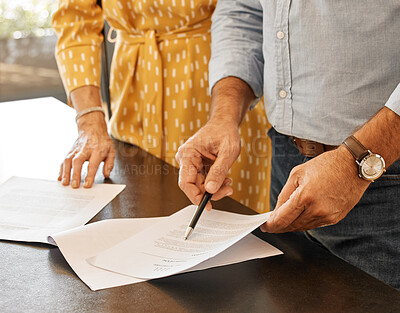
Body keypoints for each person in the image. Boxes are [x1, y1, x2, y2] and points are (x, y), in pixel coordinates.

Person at [176, 1, 400, 289]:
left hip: (382, 177)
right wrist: (223, 117)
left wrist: (355, 162)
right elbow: (243, 11)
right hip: (285, 163)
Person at [52, 0, 272, 213]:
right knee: (135, 219)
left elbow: (247, 16)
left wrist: (225, 117)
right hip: (132, 99)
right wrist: (90, 121)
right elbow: (75, 21)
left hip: (222, 95)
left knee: (226, 214)